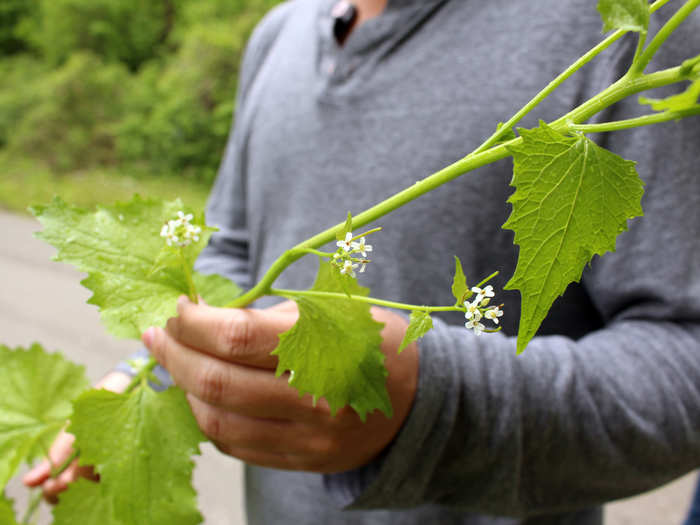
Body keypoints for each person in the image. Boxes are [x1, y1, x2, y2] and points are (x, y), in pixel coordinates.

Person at [24, 0, 700, 523]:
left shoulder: (638, 31)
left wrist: (436, 402)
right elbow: (230, 258)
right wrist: (139, 376)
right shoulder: (279, 35)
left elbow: (686, 358)